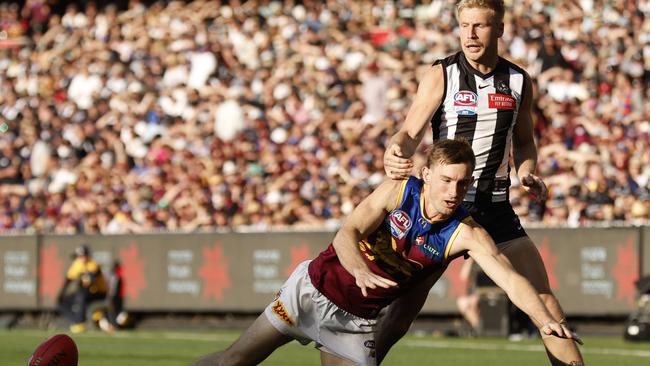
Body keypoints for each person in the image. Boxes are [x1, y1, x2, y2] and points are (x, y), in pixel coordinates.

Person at [192, 139, 578, 366]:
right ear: (427, 174)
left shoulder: (466, 232)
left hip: (357, 322)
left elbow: (510, 279)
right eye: (446, 180)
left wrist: (544, 319)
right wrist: (358, 268)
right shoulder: (398, 190)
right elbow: (348, 232)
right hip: (310, 292)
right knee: (234, 362)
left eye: (462, 184)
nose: (453, 192)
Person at [381, 1, 584, 365]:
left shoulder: (519, 80)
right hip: (443, 206)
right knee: (401, 314)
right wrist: (395, 149)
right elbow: (410, 132)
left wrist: (526, 172)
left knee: (545, 302)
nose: (471, 34)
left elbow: (524, 142)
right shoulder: (442, 73)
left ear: (500, 29)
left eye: (480, 26)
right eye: (464, 25)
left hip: (494, 205)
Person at [57, 244, 107, 333]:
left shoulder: (93, 264)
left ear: (87, 255)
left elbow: (90, 282)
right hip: (86, 293)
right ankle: (76, 321)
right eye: (79, 256)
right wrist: (62, 293)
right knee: (61, 301)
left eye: (82, 255)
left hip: (99, 293)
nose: (80, 258)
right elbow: (68, 279)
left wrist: (82, 278)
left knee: (81, 295)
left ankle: (80, 323)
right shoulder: (77, 264)